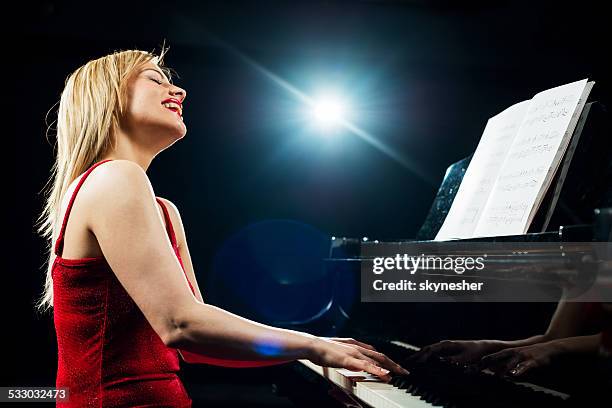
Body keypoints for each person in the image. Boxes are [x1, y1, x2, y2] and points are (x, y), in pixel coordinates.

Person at [35, 48, 407, 407]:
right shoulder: (115, 177)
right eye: (155, 79)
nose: (178, 91)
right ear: (108, 97)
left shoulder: (163, 209)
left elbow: (193, 344)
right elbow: (179, 325)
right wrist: (313, 345)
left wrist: (307, 354)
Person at [409, 298, 611, 377]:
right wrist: (486, 346)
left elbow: (557, 343)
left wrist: (557, 347)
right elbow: (557, 336)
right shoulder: (592, 258)